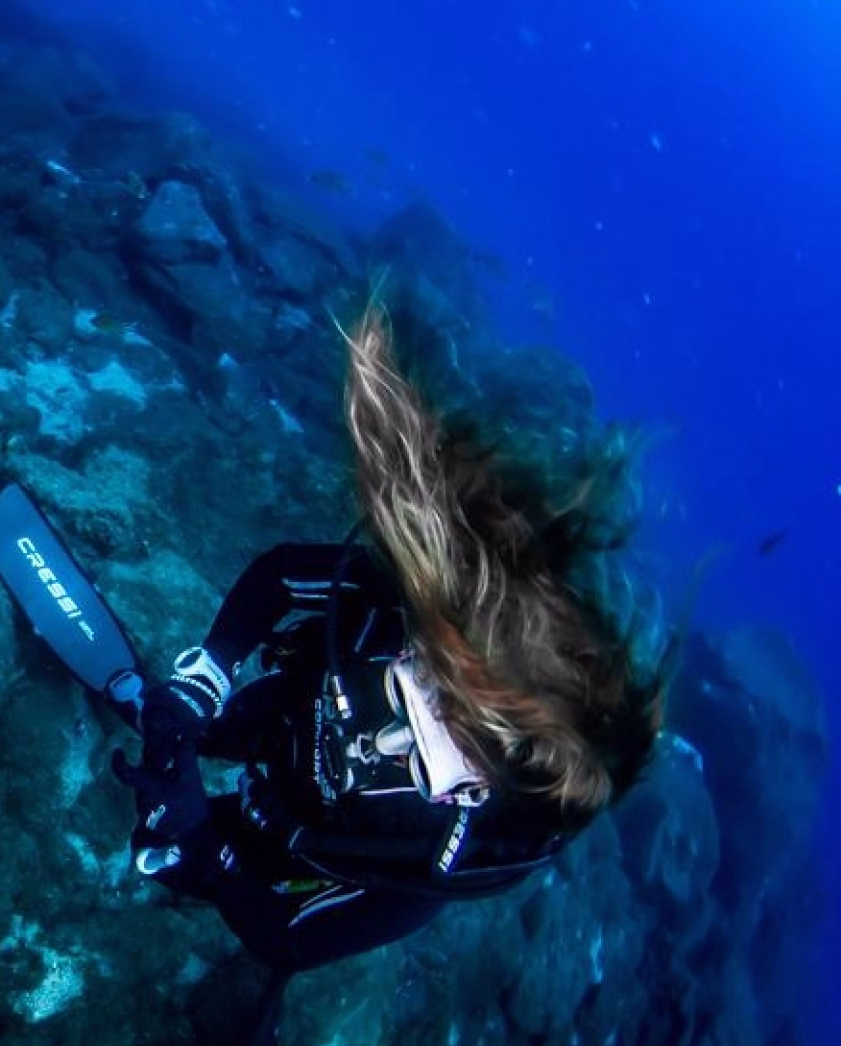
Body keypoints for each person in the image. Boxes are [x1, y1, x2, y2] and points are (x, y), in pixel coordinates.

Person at [110, 303, 669, 974]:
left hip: (298, 838)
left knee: (172, 857)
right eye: (418, 686)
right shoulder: (412, 617)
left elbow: (288, 939)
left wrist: (203, 841)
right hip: (284, 710)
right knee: (206, 724)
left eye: (428, 752)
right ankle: (182, 723)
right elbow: (283, 575)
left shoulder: (431, 863)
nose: (381, 735)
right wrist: (209, 675)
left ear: (470, 795)